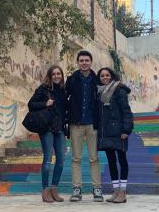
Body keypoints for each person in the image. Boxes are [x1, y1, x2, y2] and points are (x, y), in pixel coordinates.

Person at [65, 50, 103, 202]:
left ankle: (97, 189)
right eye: (81, 60)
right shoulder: (71, 79)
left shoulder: (97, 79)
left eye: (87, 60)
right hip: (76, 124)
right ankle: (76, 189)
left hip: (93, 123)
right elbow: (64, 98)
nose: (84, 63)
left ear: (91, 62)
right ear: (78, 62)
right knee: (76, 158)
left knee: (94, 158)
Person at [28, 65, 67, 203]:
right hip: (47, 128)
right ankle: (45, 189)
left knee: (61, 161)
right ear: (50, 76)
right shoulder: (43, 89)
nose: (57, 76)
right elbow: (31, 104)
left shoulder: (63, 90)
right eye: (54, 74)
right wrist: (45, 103)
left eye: (59, 73)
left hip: (60, 129)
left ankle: (54, 189)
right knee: (48, 160)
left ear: (62, 75)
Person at [96, 67, 133, 203]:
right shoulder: (99, 92)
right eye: (102, 76)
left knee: (122, 160)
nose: (105, 78)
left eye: (107, 75)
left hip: (119, 132)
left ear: (112, 76)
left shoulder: (119, 90)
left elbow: (126, 111)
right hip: (106, 132)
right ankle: (115, 190)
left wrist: (126, 130)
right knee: (111, 161)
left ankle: (122, 192)